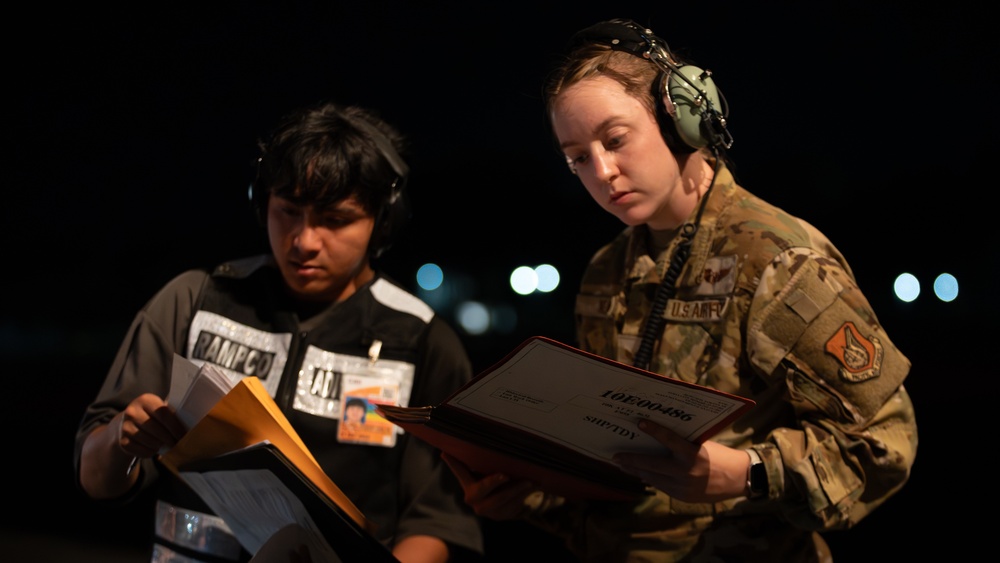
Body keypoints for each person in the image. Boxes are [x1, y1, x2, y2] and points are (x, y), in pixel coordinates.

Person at [442, 18, 917, 562]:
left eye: (616, 139)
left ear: (682, 122)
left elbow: (886, 443)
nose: (602, 171)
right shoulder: (606, 271)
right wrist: (525, 496)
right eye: (577, 158)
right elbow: (610, 458)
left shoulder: (775, 260)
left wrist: (748, 473)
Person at [74, 101, 484, 563]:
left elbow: (437, 522)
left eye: (336, 219)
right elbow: (95, 480)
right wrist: (119, 439)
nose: (305, 241)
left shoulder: (421, 341)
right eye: (288, 211)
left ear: (382, 222)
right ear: (260, 203)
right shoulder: (194, 301)